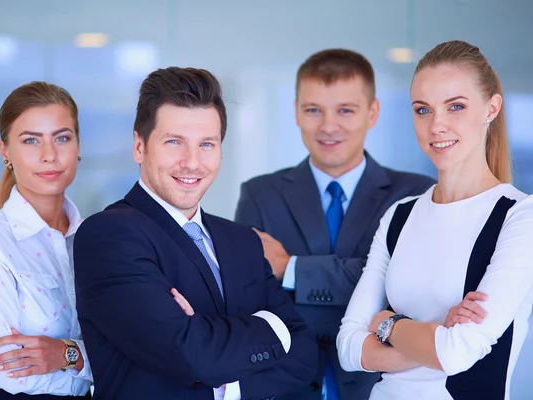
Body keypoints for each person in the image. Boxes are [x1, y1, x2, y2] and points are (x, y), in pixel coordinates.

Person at [73, 67, 318, 400]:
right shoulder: (109, 235)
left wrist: (225, 379)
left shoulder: (242, 240)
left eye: (207, 144)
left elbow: (305, 353)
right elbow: (191, 355)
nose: (192, 162)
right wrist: (272, 327)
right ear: (140, 147)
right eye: (174, 142)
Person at [337, 40, 533, 400]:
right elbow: (349, 348)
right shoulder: (400, 215)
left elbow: (457, 353)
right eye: (423, 110)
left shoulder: (520, 217)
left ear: (492, 108)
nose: (436, 125)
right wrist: (435, 333)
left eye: (455, 106)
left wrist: (386, 323)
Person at [234, 49, 435, 400]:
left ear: (372, 113)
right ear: (297, 111)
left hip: (382, 383)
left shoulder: (416, 195)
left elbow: (402, 289)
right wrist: (360, 279)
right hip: (284, 383)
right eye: (313, 110)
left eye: (345, 110)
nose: (328, 126)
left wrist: (291, 269)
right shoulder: (260, 193)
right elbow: (249, 297)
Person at [0, 82, 93, 399]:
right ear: (5, 151)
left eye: (62, 138)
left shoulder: (96, 241)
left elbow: (128, 353)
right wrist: (86, 362)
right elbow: (11, 372)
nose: (49, 155)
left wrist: (64, 354)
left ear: (78, 146)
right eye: (31, 140)